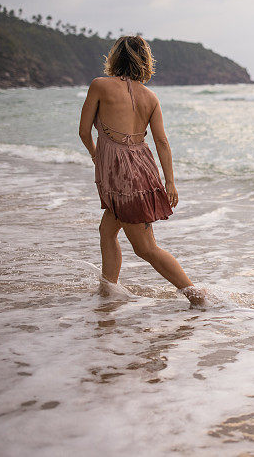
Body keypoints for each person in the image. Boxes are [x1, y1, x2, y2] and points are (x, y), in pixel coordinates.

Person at [78, 35, 205, 305]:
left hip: (119, 175)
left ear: (114, 57)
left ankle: (197, 296)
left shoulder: (99, 86)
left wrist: (96, 155)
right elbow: (161, 142)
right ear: (145, 62)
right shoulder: (150, 97)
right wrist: (169, 182)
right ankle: (107, 291)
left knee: (145, 248)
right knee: (107, 230)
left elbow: (83, 131)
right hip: (142, 169)